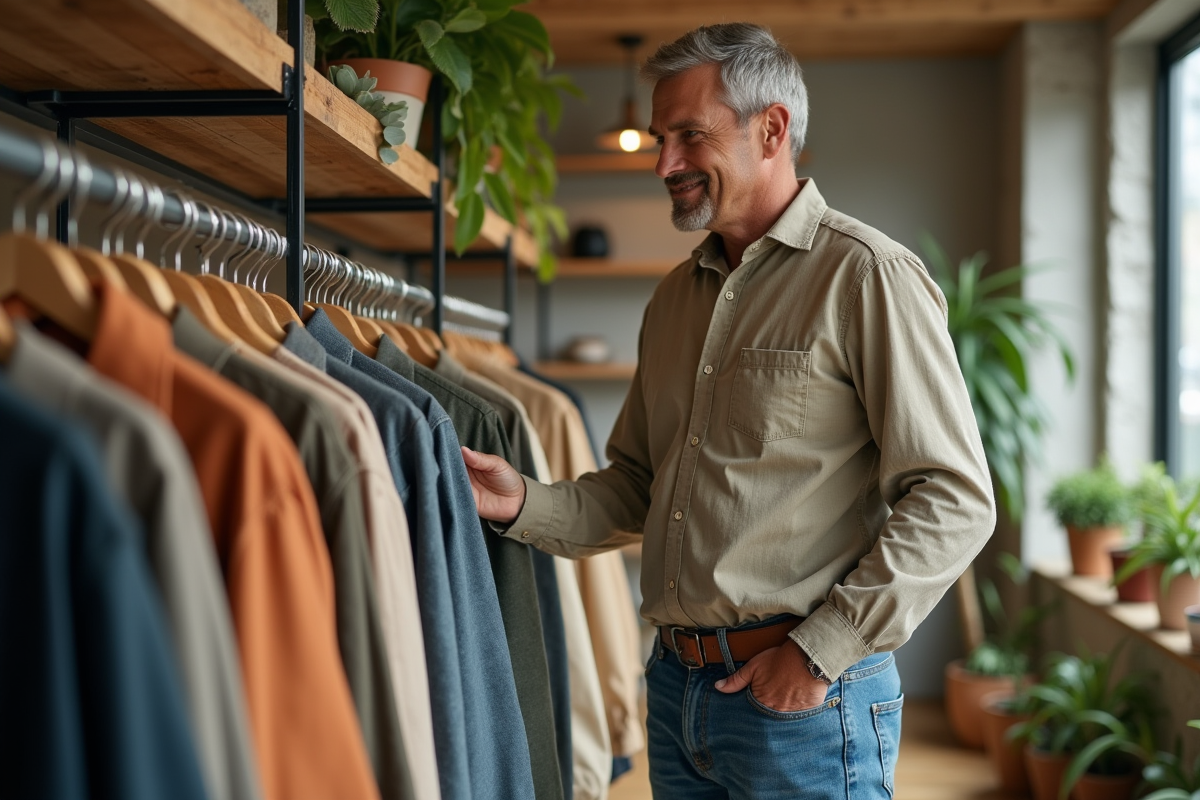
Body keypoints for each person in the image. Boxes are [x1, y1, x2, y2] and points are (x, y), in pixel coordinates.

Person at [462, 22, 995, 800]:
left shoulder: (867, 276)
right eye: (659, 138)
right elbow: (641, 485)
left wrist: (818, 655)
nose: (663, 163)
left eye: (688, 136)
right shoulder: (675, 298)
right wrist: (523, 502)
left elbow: (956, 499)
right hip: (678, 695)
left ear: (771, 129)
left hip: (803, 704)